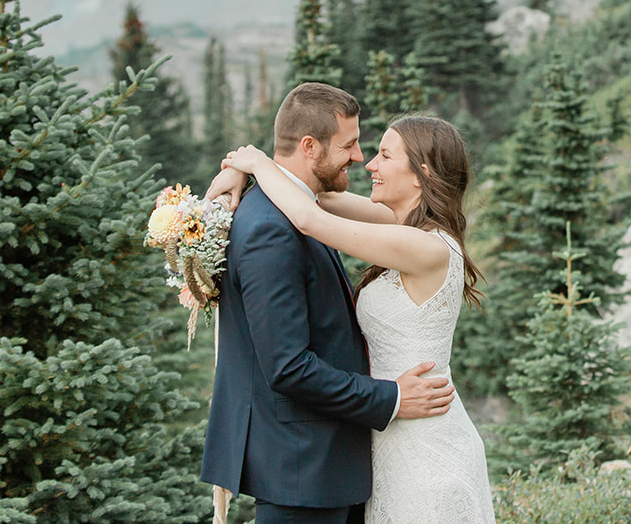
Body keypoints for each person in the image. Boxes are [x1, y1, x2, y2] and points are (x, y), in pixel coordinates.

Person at [211, 114, 496, 524]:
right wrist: (241, 169)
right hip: (385, 435)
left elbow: (310, 219)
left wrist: (254, 162)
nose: (369, 164)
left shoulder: (427, 247)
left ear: (421, 174)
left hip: (423, 439)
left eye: (384, 154)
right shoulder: (399, 224)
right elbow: (308, 192)